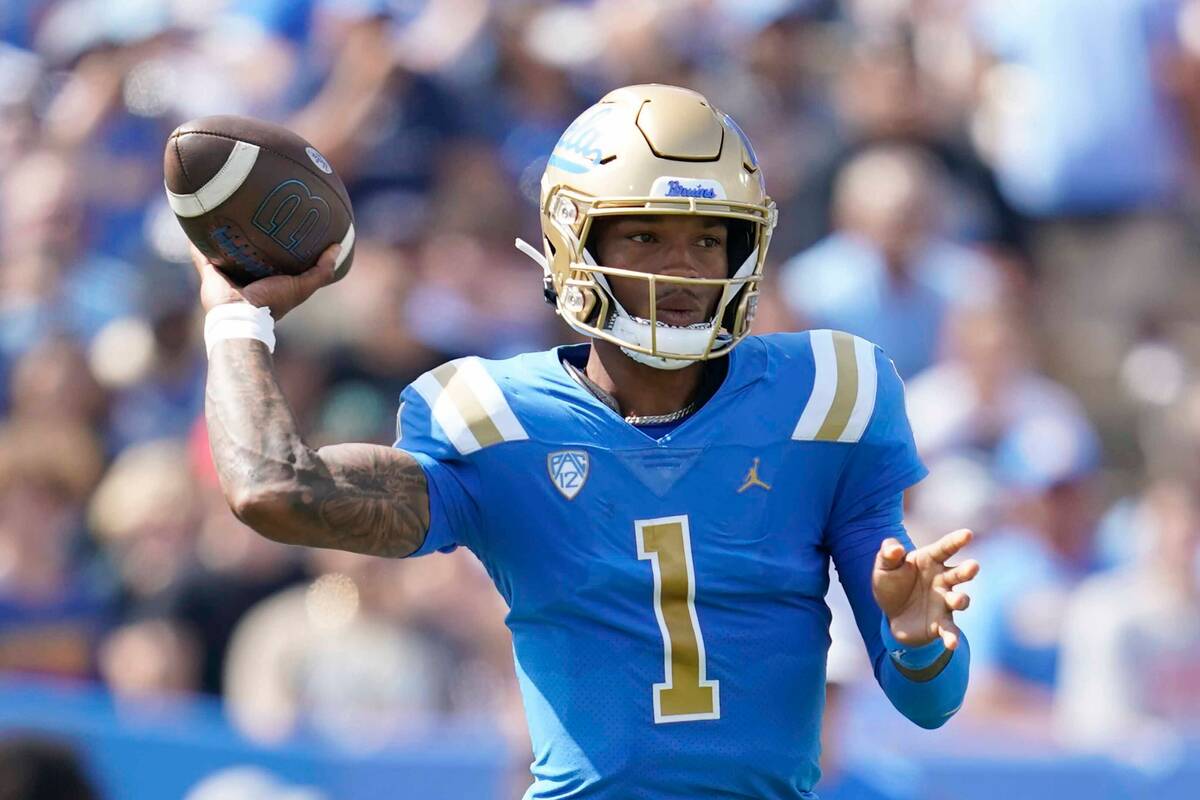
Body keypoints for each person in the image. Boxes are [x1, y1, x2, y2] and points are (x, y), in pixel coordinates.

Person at [191, 84, 979, 799]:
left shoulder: (829, 395)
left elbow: (932, 702)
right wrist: (234, 318)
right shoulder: (494, 420)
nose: (684, 270)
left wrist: (915, 639)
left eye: (710, 241)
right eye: (645, 237)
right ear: (577, 243)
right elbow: (273, 491)